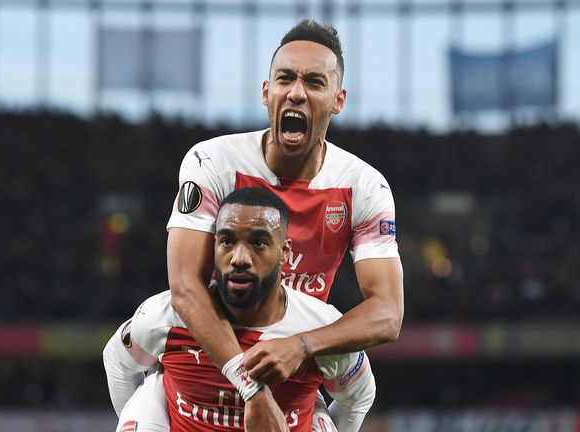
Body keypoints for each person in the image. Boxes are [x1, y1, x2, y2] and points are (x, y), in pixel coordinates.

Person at [105, 18, 403, 431]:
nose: (296, 92)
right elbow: (186, 288)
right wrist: (250, 385)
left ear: (338, 100)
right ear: (267, 92)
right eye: (285, 79)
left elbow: (388, 313)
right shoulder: (214, 163)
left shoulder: (363, 186)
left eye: (315, 82)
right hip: (207, 353)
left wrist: (300, 346)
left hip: (292, 361)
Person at [105, 188, 376, 432]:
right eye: (227, 241)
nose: (239, 258)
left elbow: (359, 396)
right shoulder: (166, 317)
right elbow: (117, 360)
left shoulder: (322, 327)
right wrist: (139, 415)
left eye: (258, 243)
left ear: (284, 252)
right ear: (214, 247)